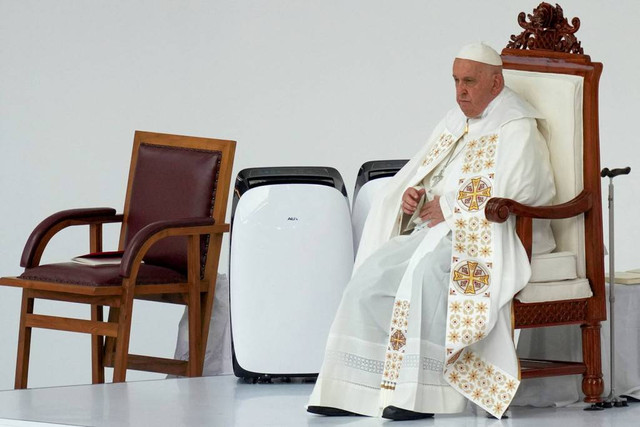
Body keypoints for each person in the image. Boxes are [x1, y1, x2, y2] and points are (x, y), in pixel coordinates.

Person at [307, 42, 556, 420]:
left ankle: (420, 396)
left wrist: (452, 207)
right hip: (436, 230)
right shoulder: (456, 120)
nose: (460, 91)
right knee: (371, 278)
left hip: (492, 235)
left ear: (495, 82)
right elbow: (430, 172)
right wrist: (416, 197)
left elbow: (520, 191)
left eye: (469, 81)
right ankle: (350, 388)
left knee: (425, 277)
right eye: (456, 81)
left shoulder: (517, 127)